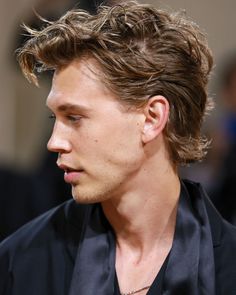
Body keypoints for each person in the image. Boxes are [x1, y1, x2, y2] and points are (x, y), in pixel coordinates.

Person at [0, 1, 236, 294]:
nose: (54, 142)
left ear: (151, 118)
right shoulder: (19, 263)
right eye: (55, 118)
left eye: (75, 117)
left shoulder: (227, 267)